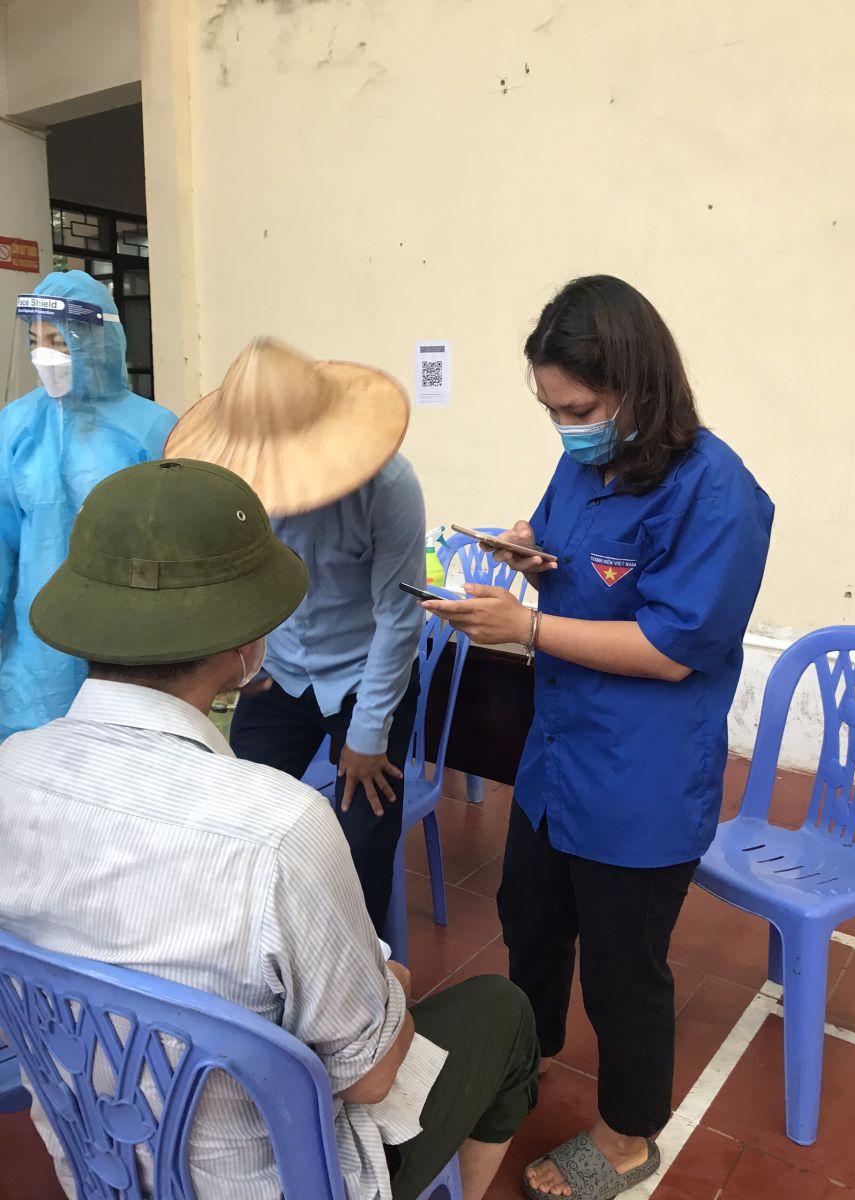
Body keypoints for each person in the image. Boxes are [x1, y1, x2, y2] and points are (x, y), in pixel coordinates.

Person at [0, 457, 539, 1200]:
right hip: (271, 1177)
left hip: (98, 1159)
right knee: (502, 1012)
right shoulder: (283, 828)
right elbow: (370, 1077)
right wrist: (385, 981)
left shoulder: (12, 768)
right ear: (247, 648)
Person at [423, 276, 774, 1200]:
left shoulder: (718, 493)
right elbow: (573, 553)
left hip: (640, 775)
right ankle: (522, 1056)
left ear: (637, 385)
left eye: (577, 411)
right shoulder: (586, 465)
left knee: (624, 969)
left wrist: (528, 627)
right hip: (558, 757)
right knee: (530, 922)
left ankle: (627, 1135)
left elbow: (672, 650)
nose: (565, 430)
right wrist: (530, 555)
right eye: (550, 411)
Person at [165, 338, 425, 935]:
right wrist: (237, 662)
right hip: (277, 672)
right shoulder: (238, 482)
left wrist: (368, 733)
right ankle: (258, 957)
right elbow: (231, 580)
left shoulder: (389, 487)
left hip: (364, 677)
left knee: (361, 843)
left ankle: (365, 968)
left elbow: (399, 616)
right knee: (238, 821)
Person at [0, 269, 177, 742]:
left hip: (128, 638)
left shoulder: (152, 429)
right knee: (32, 762)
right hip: (36, 651)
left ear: (97, 342)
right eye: (35, 341)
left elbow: (175, 542)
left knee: (122, 757)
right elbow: (2, 538)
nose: (45, 355)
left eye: (59, 341)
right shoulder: (16, 426)